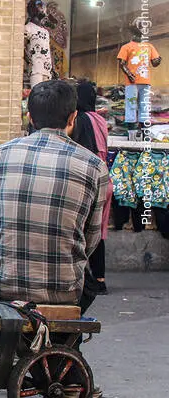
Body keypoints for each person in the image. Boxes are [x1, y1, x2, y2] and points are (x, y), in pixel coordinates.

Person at [0, 80, 108, 313]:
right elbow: (91, 238)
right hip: (64, 290)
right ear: (72, 118)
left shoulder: (1, 154)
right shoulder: (94, 165)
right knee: (88, 285)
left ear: (30, 117)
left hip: (3, 284)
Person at [71, 81, 112, 294]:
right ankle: (100, 277)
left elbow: (83, 149)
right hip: (105, 179)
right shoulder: (100, 120)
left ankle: (84, 278)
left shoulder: (81, 120)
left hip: (90, 177)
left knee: (84, 229)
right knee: (99, 230)